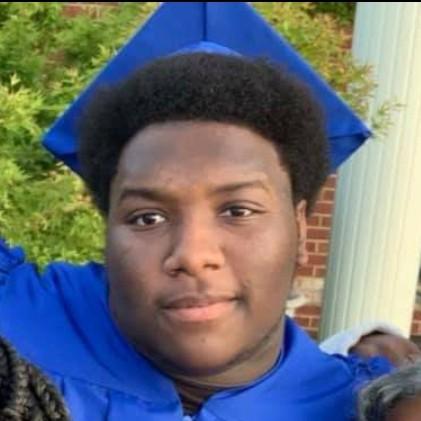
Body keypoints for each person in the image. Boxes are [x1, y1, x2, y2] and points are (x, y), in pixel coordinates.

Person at [0, 52, 416, 421]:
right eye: (147, 218)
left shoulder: (371, 406)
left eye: (239, 211)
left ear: (301, 230)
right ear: (107, 231)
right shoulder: (15, 316)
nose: (193, 254)